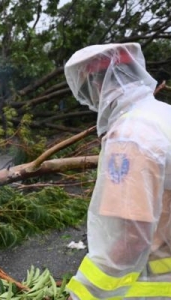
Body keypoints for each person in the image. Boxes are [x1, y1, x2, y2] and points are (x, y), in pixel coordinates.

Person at [64, 43, 171, 299]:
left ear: (98, 85)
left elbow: (130, 237)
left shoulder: (130, 136)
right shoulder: (164, 114)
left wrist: (82, 293)